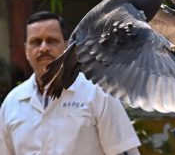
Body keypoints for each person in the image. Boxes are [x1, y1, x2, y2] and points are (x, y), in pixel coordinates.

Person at [0, 11, 141, 155]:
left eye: (51, 40)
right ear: (26, 50)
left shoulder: (98, 93)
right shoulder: (11, 104)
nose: (43, 48)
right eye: (36, 42)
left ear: (66, 46)